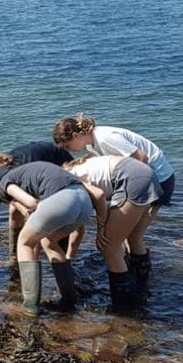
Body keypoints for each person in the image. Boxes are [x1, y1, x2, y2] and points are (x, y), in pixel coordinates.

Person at [53, 114, 175, 291]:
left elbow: (141, 158)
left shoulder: (105, 137)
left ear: (76, 136)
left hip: (157, 179)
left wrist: (134, 195)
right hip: (148, 180)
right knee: (129, 235)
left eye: (67, 145)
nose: (70, 151)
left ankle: (138, 282)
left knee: (130, 236)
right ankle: (138, 277)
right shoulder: (93, 143)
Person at [0, 153, 105, 315]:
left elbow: (31, 203)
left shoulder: (4, 181)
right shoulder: (27, 171)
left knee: (25, 242)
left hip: (62, 200)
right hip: (84, 204)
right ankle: (69, 298)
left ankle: (30, 306)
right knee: (49, 242)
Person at [64, 154, 163, 309]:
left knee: (109, 246)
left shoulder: (68, 178)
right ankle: (143, 286)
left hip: (132, 179)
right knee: (132, 237)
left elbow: (99, 195)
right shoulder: (80, 167)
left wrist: (101, 230)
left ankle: (125, 308)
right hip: (147, 174)